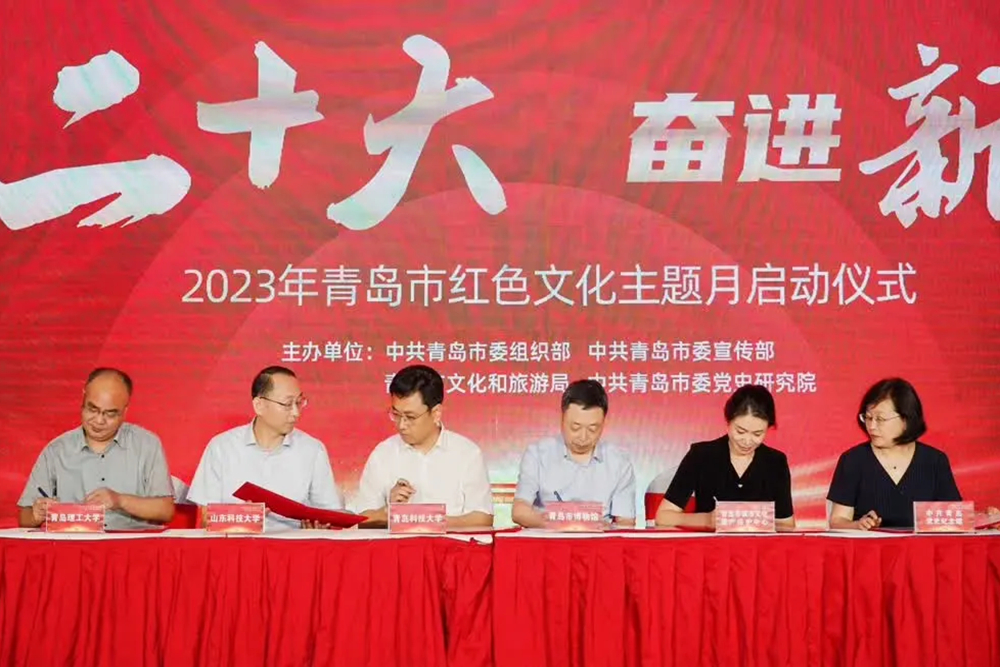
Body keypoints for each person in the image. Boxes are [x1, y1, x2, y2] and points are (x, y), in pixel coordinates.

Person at [187, 366, 343, 530]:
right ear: (259, 405)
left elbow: (329, 514)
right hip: (236, 543)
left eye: (299, 402)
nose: (296, 413)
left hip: (293, 543)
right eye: (287, 404)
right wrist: (244, 517)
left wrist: (319, 527)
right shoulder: (221, 447)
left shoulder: (313, 450)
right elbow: (206, 518)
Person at [17, 368, 175, 530]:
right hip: (75, 541)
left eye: (110, 414)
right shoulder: (56, 451)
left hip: (133, 542)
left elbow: (166, 510)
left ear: (124, 411)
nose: (99, 420)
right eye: (92, 409)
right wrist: (36, 514)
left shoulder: (147, 445)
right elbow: (24, 517)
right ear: (83, 399)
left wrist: (120, 501)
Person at [352, 365, 493, 529]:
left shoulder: (467, 453)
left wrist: (425, 520)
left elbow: (482, 518)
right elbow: (361, 518)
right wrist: (389, 512)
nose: (401, 425)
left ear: (436, 413)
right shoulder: (383, 453)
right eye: (396, 414)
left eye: (410, 417)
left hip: (450, 545)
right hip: (396, 546)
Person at [828, 378, 961, 530]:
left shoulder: (935, 461)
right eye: (868, 417)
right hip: (870, 545)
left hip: (923, 545)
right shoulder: (853, 460)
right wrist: (858, 525)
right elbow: (837, 521)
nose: (871, 426)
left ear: (906, 419)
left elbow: (955, 520)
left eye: (880, 419)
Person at [655, 384, 794, 529]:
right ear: (728, 422)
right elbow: (663, 517)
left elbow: (787, 525)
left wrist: (752, 522)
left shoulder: (776, 462)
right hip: (709, 543)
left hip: (758, 543)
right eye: (740, 431)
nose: (747, 441)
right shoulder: (701, 455)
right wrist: (706, 520)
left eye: (757, 434)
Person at [512, 379, 636, 528]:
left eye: (593, 429)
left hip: (599, 540)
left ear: (604, 422)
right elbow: (520, 511)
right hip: (548, 537)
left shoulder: (619, 463)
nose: (583, 437)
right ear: (562, 418)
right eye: (575, 428)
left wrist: (599, 528)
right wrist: (563, 524)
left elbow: (625, 522)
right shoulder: (538, 455)